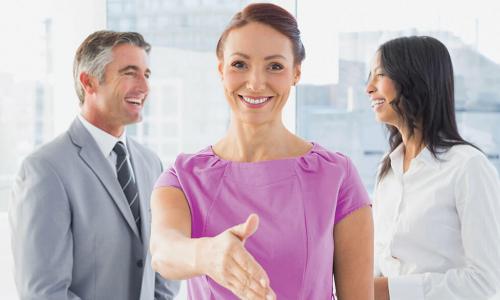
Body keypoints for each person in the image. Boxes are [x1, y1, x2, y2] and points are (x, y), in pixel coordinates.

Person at [149, 3, 374, 300]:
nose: (255, 83)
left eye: (275, 66)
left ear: (296, 73)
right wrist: (207, 254)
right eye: (239, 64)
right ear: (221, 69)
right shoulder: (183, 176)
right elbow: (164, 252)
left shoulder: (336, 175)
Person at [9, 30, 179, 300]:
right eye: (129, 73)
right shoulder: (44, 170)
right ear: (89, 82)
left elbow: (161, 269)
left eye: (146, 75)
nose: (144, 88)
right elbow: (44, 293)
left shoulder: (151, 164)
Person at [366, 36, 500, 300]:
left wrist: (391, 290)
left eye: (379, 75)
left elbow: (487, 284)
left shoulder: (468, 167)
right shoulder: (388, 169)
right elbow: (381, 264)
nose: (369, 88)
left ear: (415, 81)